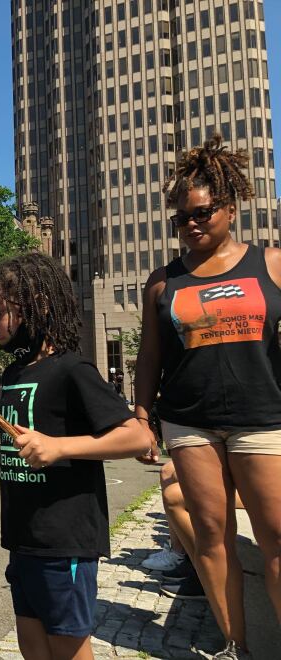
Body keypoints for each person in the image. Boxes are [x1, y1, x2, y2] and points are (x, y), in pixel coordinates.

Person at [134, 135, 281, 660]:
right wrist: (144, 418)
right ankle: (236, 648)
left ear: (229, 206)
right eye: (181, 218)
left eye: (202, 212)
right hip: (189, 424)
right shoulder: (162, 283)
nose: (192, 224)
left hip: (262, 420)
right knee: (212, 538)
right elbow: (148, 360)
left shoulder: (271, 264)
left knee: (276, 539)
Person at [0, 252, 150, 660]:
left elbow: (138, 436)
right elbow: (25, 448)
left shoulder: (72, 368)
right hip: (23, 538)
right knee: (33, 648)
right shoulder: (14, 374)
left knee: (67, 649)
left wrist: (60, 446)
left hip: (64, 541)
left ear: (37, 306)